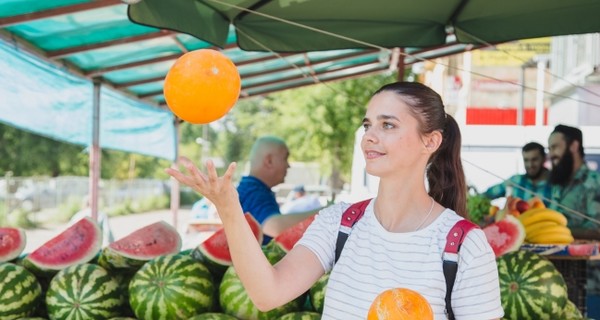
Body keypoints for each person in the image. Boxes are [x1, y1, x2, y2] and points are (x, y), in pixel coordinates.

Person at [166, 81, 503, 319]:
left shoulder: (464, 246)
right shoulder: (339, 223)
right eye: (368, 124)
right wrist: (229, 208)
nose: (369, 136)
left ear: (430, 142)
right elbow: (267, 294)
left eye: (388, 125)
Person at [546, 124, 600, 318]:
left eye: (555, 147)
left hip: (592, 285)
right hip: (558, 282)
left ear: (574, 146)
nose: (551, 154)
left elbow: (596, 229)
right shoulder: (558, 184)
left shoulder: (594, 182)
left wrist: (558, 231)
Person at [235, 136, 318, 244]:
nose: (288, 166)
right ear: (269, 161)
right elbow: (273, 227)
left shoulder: (256, 189)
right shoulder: (253, 191)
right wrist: (323, 212)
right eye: (285, 158)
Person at [483, 142, 552, 205]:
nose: (530, 165)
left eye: (534, 160)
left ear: (544, 159)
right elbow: (488, 194)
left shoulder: (554, 184)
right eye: (526, 160)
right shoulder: (516, 180)